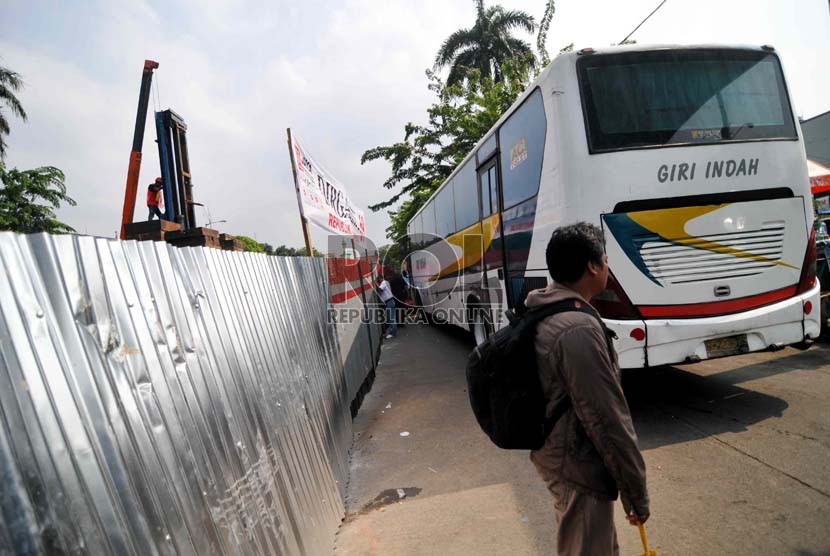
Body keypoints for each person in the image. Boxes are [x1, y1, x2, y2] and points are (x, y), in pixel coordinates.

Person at [525, 222, 649, 556]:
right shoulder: (576, 329)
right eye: (605, 259)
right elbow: (606, 418)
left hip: (559, 455)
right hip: (576, 467)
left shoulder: (548, 309)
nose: (607, 266)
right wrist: (635, 492)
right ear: (593, 266)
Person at [376, 274, 397, 339]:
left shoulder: (384, 282)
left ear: (381, 278)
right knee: (391, 318)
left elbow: (380, 289)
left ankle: (393, 333)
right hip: (390, 302)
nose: (378, 281)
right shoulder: (386, 282)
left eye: (378, 280)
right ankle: (391, 332)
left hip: (389, 302)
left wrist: (376, 283)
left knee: (391, 318)